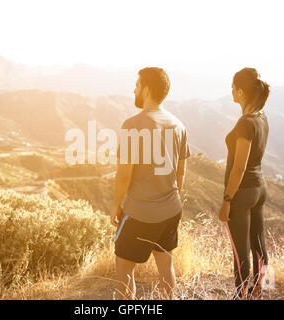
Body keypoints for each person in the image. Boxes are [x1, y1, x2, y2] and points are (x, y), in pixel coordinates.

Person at [110, 67, 191, 300]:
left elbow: (124, 174)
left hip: (139, 213)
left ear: (145, 89)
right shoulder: (179, 125)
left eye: (136, 85)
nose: (134, 89)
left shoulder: (132, 125)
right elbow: (181, 173)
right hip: (171, 210)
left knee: (124, 270)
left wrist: (116, 204)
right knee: (166, 266)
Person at [218, 67, 271, 299]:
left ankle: (241, 296)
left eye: (233, 87)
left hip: (242, 192)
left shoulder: (245, 123)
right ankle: (262, 290)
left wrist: (227, 200)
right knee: (259, 244)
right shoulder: (261, 118)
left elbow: (239, 167)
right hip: (260, 188)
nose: (230, 90)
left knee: (240, 252)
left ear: (240, 92)